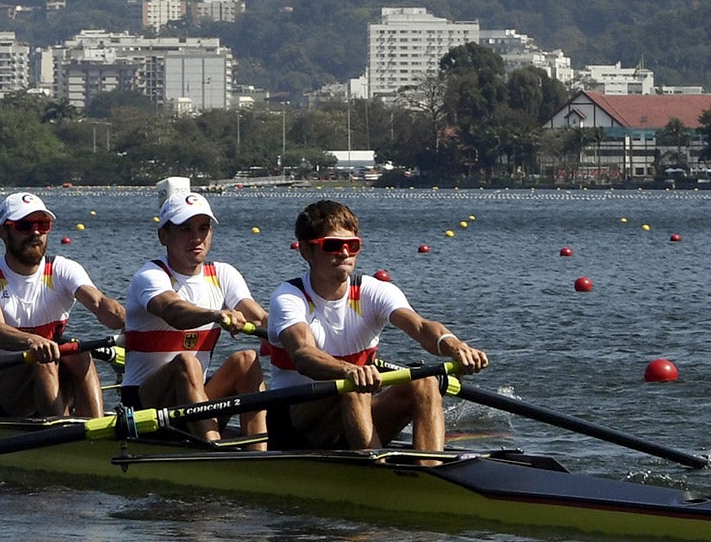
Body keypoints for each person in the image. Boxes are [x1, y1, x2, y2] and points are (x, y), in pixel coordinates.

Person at [261, 199, 489, 452]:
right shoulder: (289, 296)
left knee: (425, 382)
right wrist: (348, 370)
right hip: (295, 426)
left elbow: (421, 327)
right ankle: (375, 467)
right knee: (352, 386)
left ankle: (430, 467)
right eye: (333, 246)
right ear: (306, 251)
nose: (345, 253)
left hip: (352, 410)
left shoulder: (372, 291)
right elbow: (303, 355)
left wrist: (453, 345)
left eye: (352, 245)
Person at [119, 188, 269, 445]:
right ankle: (213, 449)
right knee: (186, 362)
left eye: (203, 228)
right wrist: (216, 314)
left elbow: (260, 318)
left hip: (194, 397)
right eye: (185, 229)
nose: (196, 238)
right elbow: (173, 311)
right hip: (145, 404)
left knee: (247, 359)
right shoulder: (151, 276)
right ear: (163, 235)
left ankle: (259, 452)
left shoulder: (223, 274)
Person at [0, 192, 126, 418]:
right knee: (44, 358)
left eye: (43, 224)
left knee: (79, 353)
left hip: (45, 376)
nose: (35, 232)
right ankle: (62, 433)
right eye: (24, 226)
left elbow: (100, 304)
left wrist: (130, 321)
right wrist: (34, 341)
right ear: (3, 231)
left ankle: (94, 428)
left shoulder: (63, 269)